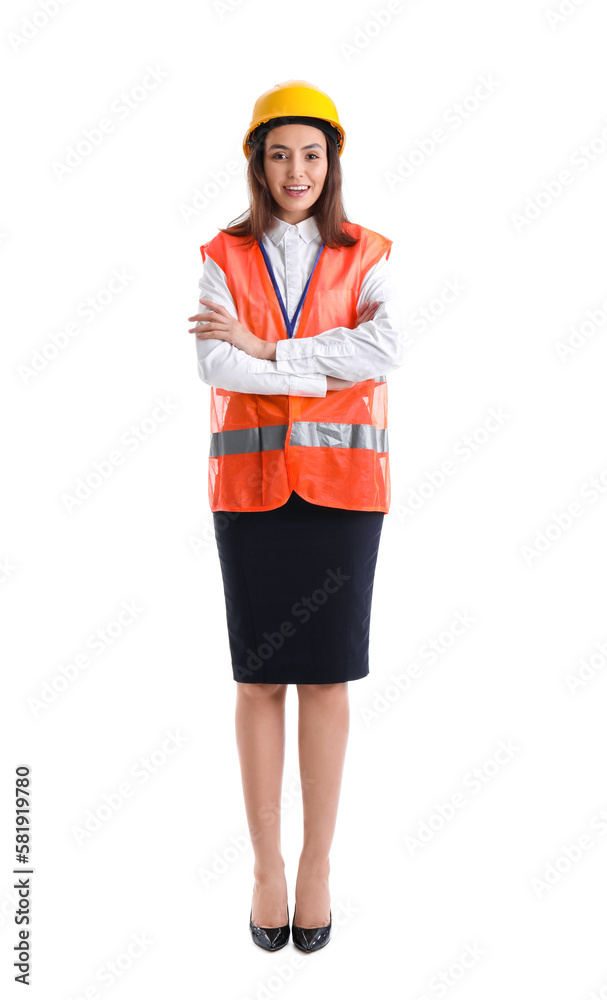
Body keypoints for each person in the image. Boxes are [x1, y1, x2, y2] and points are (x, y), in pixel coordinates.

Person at [188, 80, 404, 953]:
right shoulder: (219, 254)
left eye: (311, 153)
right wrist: (318, 367)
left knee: (327, 676)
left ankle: (316, 866)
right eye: (278, 153)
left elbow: (386, 350)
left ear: (333, 160)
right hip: (250, 496)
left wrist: (268, 349)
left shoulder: (369, 251)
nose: (295, 169)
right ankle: (264, 867)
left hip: (345, 494)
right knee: (258, 679)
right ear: (256, 161)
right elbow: (214, 366)